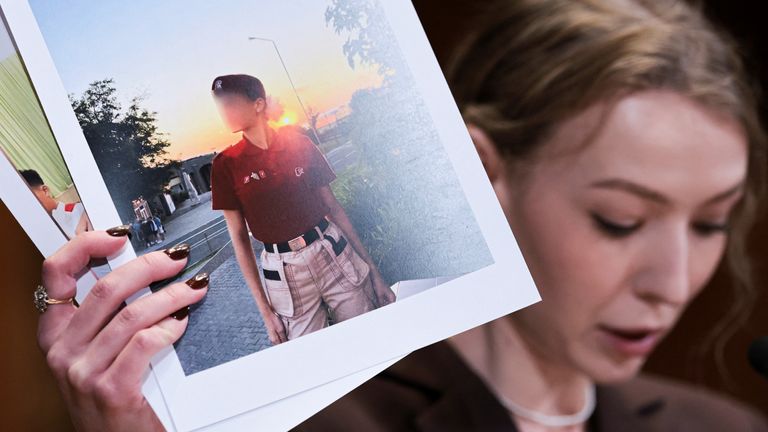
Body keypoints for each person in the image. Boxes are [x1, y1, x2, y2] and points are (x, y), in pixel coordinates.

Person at [31, 0, 768, 430]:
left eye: (711, 224)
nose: (674, 284)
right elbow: (236, 234)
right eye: (619, 219)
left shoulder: (723, 424)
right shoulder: (322, 419)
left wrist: (370, 266)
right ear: (485, 172)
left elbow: (329, 202)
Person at [208, 74, 395, 344]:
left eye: (230, 103)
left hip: (332, 253)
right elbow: (239, 240)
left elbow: (333, 207)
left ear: (258, 104)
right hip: (284, 274)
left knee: (369, 338)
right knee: (310, 355)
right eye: (220, 105)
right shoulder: (225, 165)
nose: (224, 111)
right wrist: (265, 313)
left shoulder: (300, 144)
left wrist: (374, 273)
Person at [19, 169, 91, 239]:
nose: (29, 207)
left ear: (45, 190)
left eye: (30, 199)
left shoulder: (83, 211)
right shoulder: (40, 236)